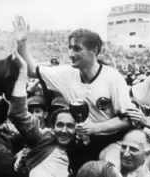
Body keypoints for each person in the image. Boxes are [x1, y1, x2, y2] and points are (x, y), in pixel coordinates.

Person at [14, 15, 135, 174]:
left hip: (110, 141)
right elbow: (31, 70)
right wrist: (22, 43)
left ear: (94, 51)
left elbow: (127, 119)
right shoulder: (66, 74)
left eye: (77, 48)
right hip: (79, 143)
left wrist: (94, 128)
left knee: (108, 170)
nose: (70, 53)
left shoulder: (113, 78)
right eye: (69, 48)